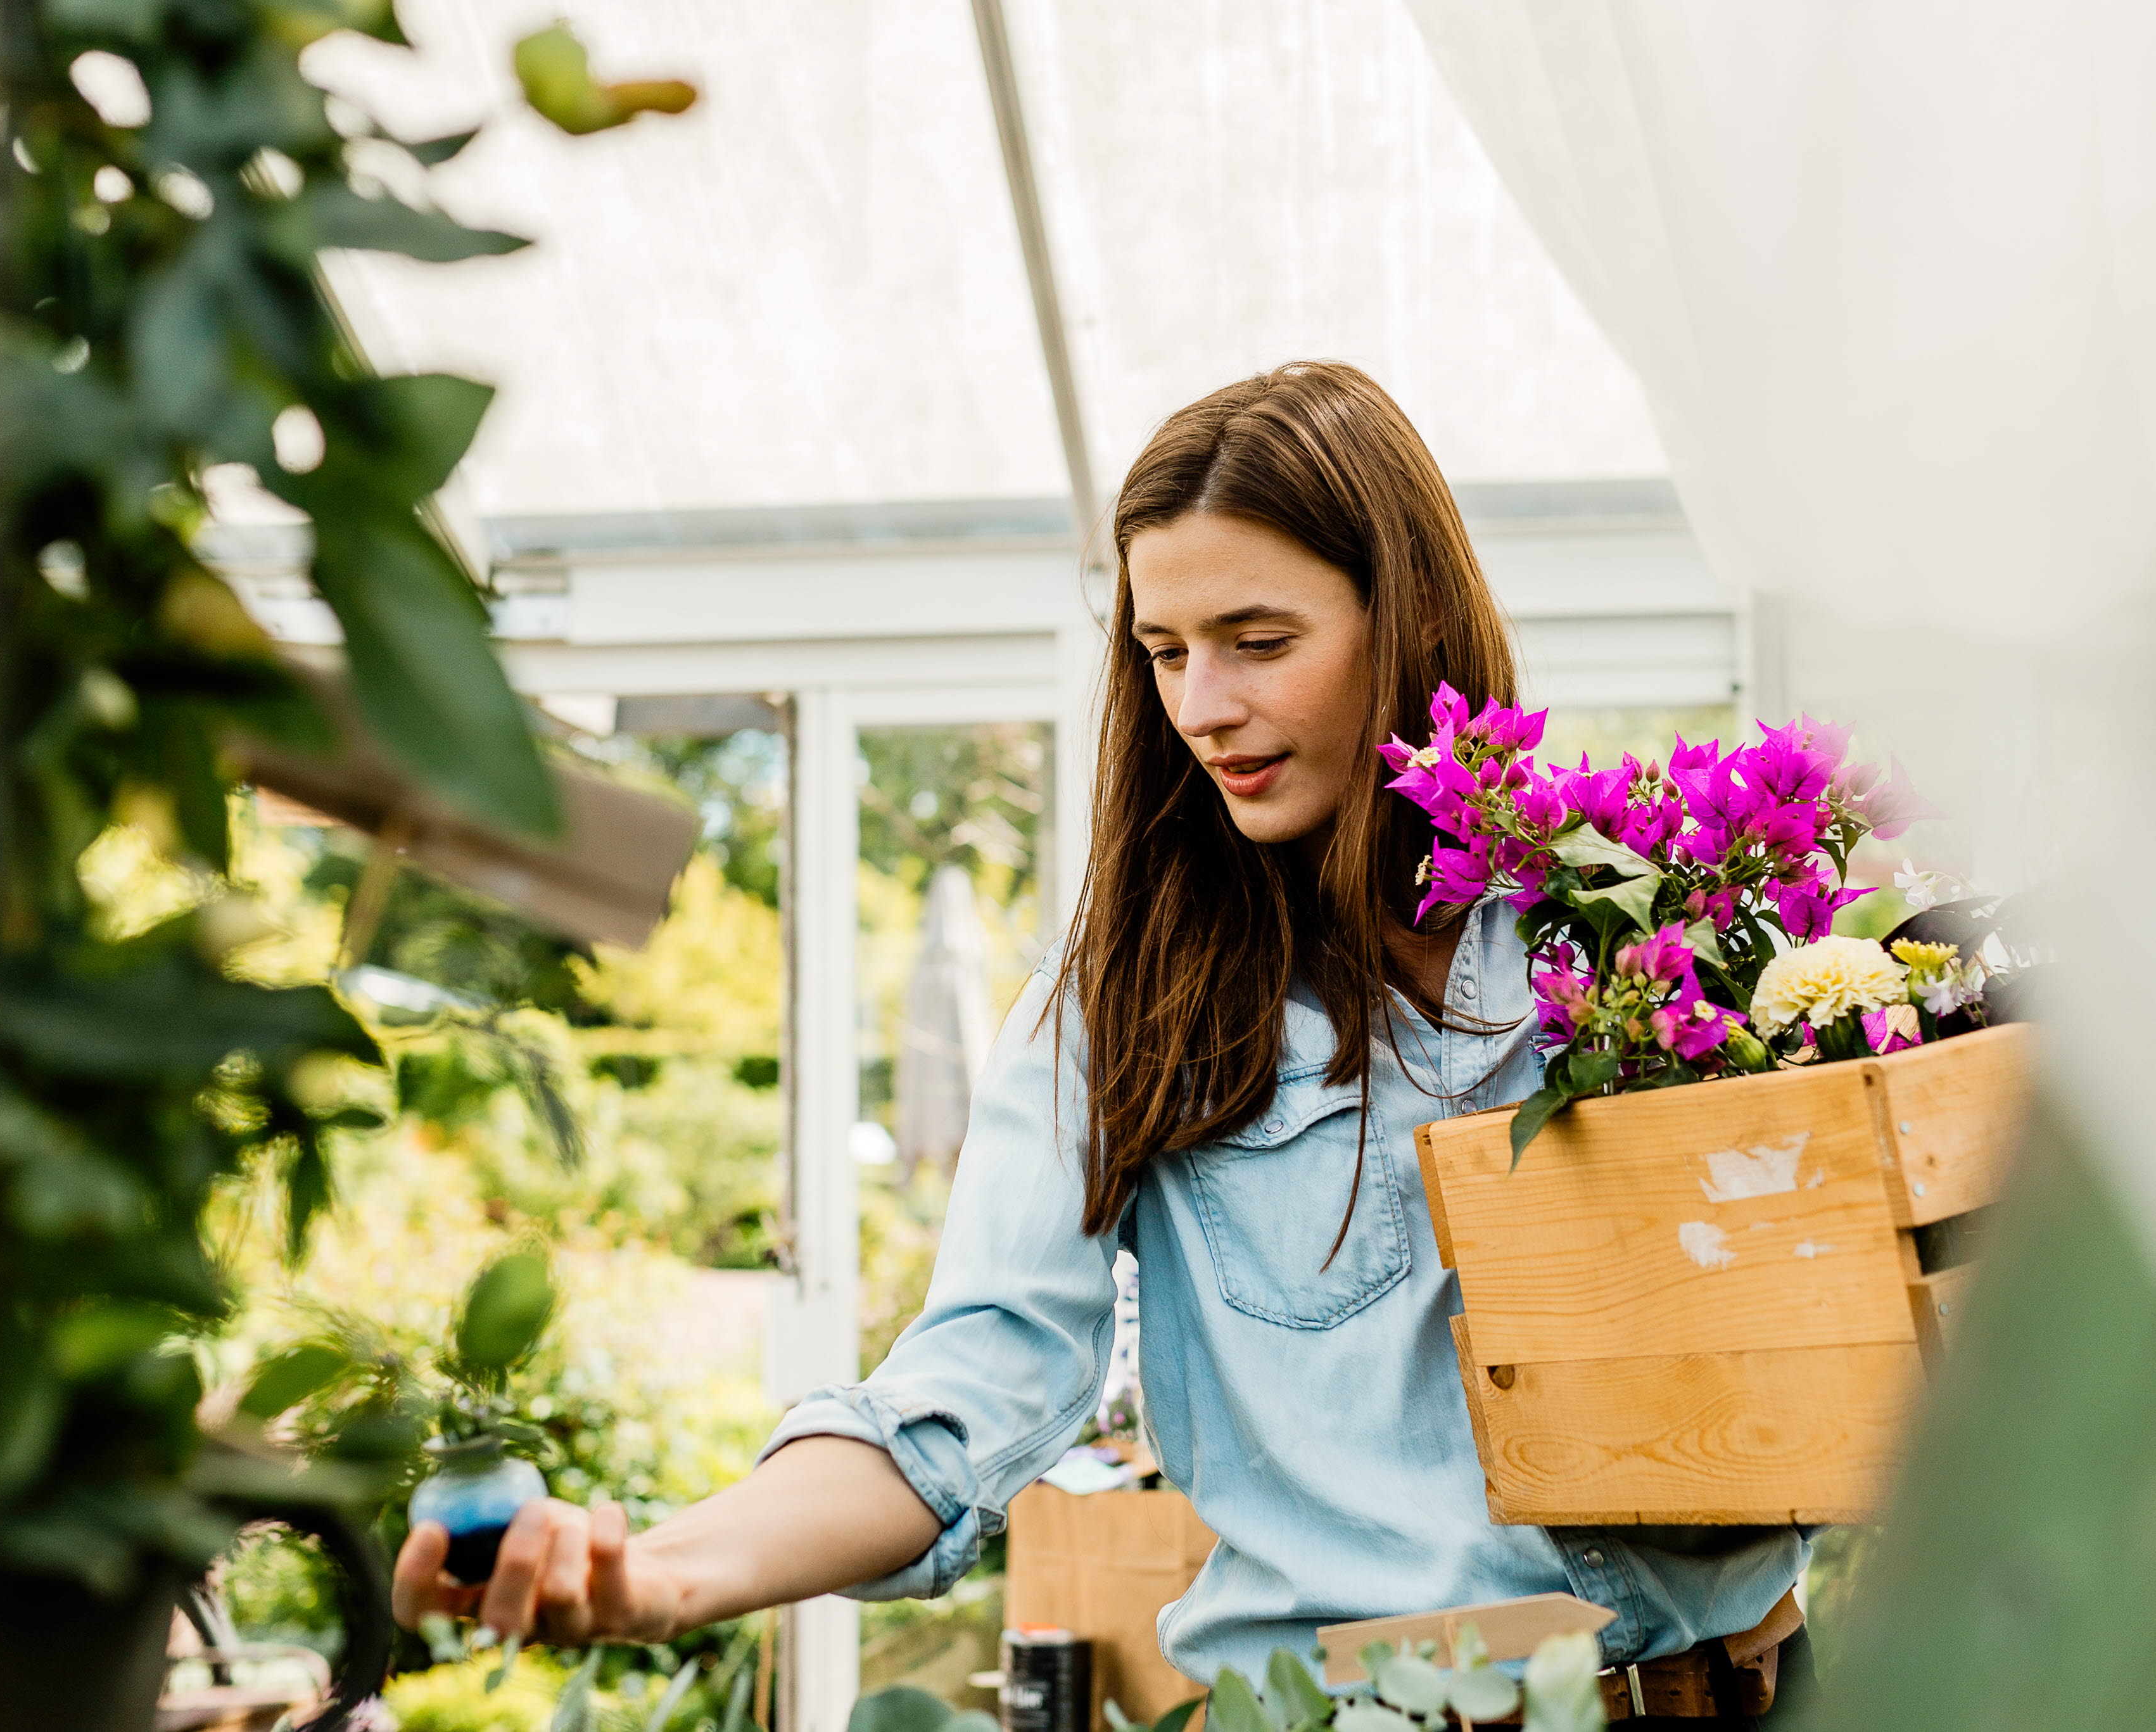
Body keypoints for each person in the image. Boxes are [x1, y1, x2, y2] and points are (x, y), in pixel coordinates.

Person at [393, 362, 1811, 1721]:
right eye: (1163, 650)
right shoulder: (1126, 1010)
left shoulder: (1638, 931)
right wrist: (658, 1570)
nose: (1200, 707)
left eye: (1258, 643)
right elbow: (959, 1394)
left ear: (1410, 617)